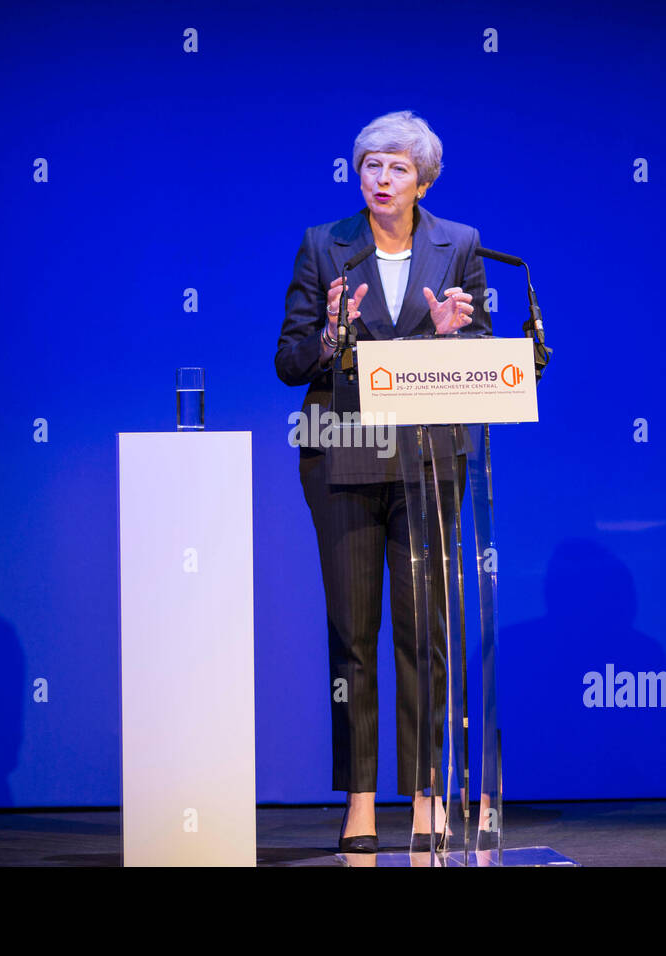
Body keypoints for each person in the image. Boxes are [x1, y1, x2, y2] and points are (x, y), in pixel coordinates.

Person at [274, 110, 491, 852]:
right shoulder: (323, 247)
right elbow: (288, 361)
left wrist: (458, 333)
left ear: (423, 178)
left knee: (423, 630)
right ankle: (360, 798)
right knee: (352, 633)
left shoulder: (457, 245)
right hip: (343, 448)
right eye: (371, 164)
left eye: (398, 166)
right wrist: (333, 332)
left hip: (430, 457)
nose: (382, 177)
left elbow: (491, 355)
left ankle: (426, 790)